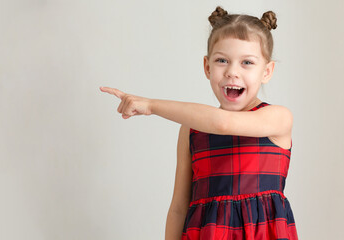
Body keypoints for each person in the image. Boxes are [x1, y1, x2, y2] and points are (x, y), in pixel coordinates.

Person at [100, 6, 298, 240]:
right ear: (207, 67)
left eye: (247, 63)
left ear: (267, 71)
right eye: (222, 60)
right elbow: (179, 207)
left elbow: (223, 123)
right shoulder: (192, 130)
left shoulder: (278, 118)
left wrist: (151, 105)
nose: (232, 72)